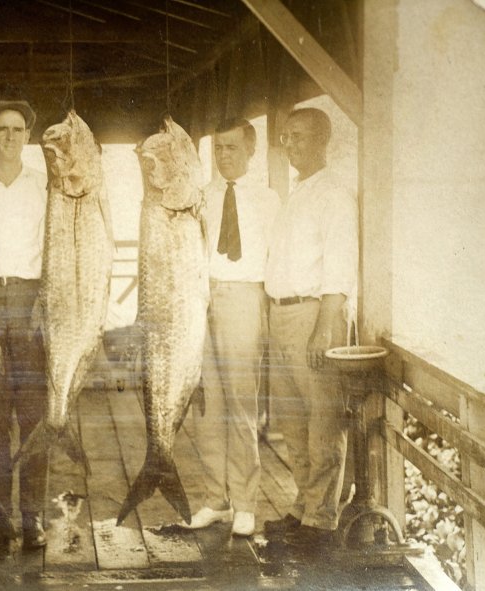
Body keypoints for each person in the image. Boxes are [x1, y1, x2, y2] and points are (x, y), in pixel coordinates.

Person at [262, 107, 358, 548]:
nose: (290, 145)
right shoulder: (297, 193)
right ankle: (303, 506)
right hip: (282, 316)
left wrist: (325, 329)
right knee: (293, 420)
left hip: (314, 317)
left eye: (299, 136)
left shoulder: (334, 194)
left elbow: (339, 269)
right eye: (285, 137)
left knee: (322, 420)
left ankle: (321, 520)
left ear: (323, 141)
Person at [180, 117, 280, 537]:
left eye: (232, 147)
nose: (224, 155)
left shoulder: (270, 200)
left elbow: (279, 260)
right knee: (209, 406)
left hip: (244, 295)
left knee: (241, 405)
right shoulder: (201, 198)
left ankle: (244, 502)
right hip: (201, 297)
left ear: (251, 150)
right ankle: (214, 499)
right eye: (218, 148)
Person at [0, 99, 49, 550]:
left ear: (27, 136)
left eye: (17, 129)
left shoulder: (44, 186)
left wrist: (45, 301)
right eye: (1, 129)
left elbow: (58, 249)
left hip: (31, 302)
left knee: (35, 415)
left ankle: (33, 517)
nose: (9, 136)